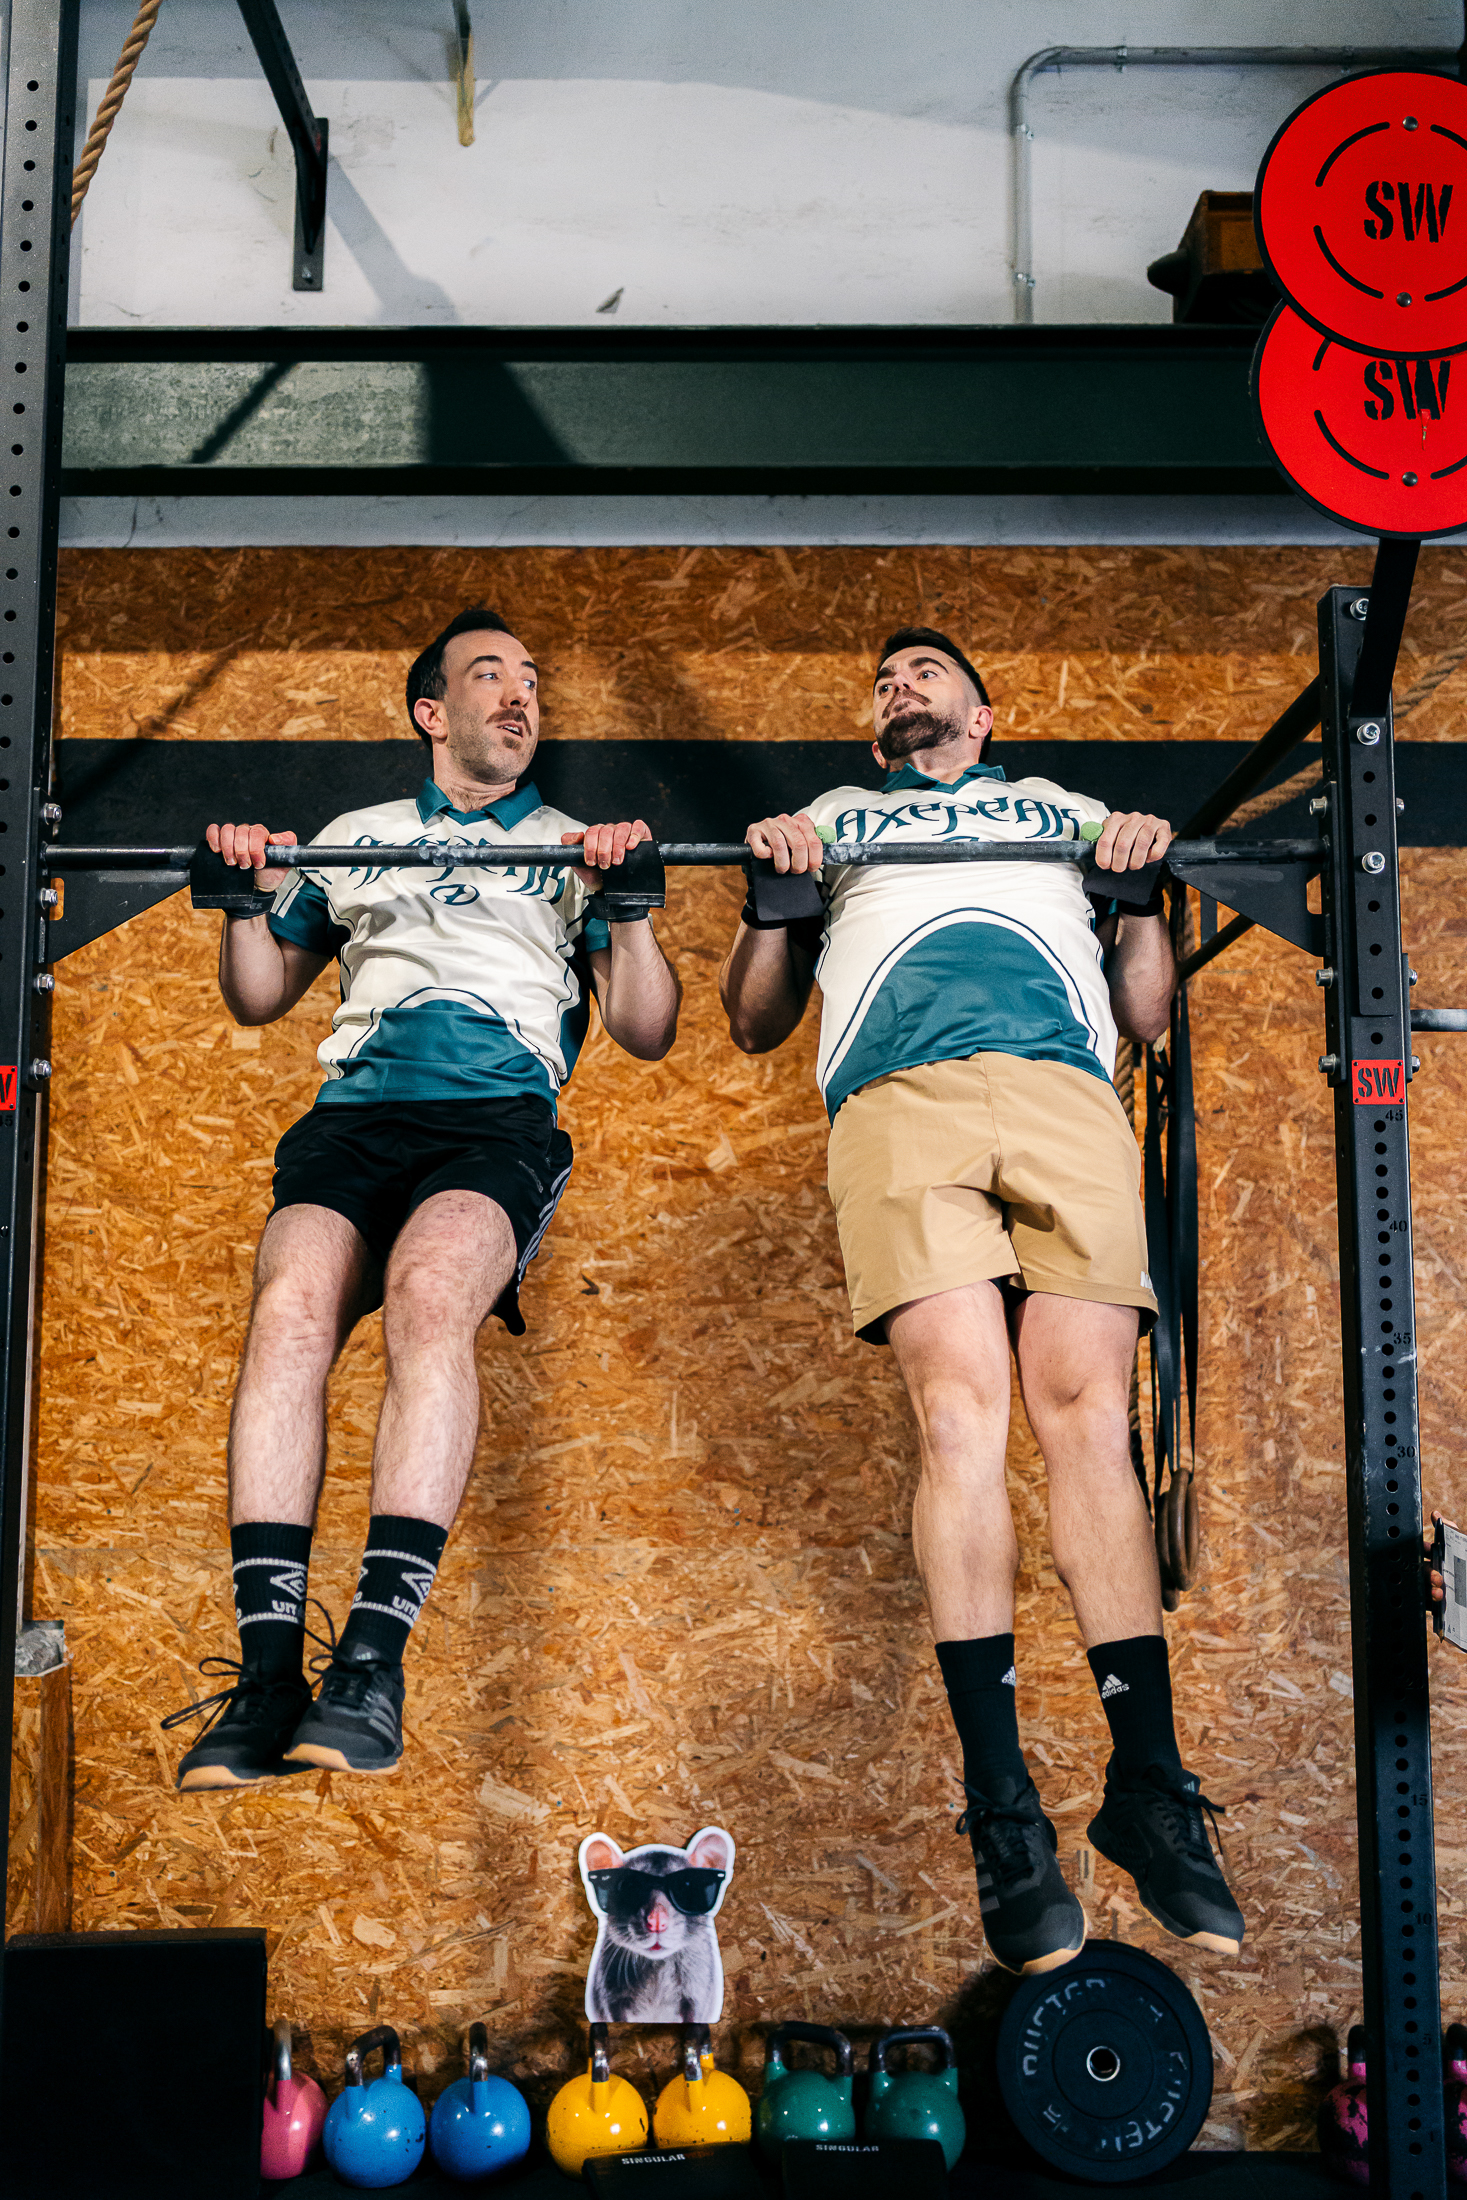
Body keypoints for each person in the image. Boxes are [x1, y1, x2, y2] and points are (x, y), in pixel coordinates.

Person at [718, 625, 1244, 1975]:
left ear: (982, 710)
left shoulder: (1064, 813)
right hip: (898, 1100)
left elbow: (1145, 1015)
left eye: (925, 670)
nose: (901, 683)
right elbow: (753, 1021)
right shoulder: (835, 818)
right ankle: (1003, 1808)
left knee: (1087, 1418)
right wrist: (772, 897)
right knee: (958, 1416)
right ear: (871, 730)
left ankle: (1146, 1783)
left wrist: (1137, 895)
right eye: (884, 679)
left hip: (1064, 1091)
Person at [167, 607, 680, 1788]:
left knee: (430, 1294)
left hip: (492, 1119)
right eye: (489, 675)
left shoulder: (570, 845)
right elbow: (259, 995)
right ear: (431, 712)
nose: (519, 694)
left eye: (531, 678)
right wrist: (243, 899)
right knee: (288, 1311)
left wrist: (632, 906)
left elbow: (647, 1029)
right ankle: (268, 1676)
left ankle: (371, 1665)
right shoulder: (360, 838)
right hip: (354, 1117)